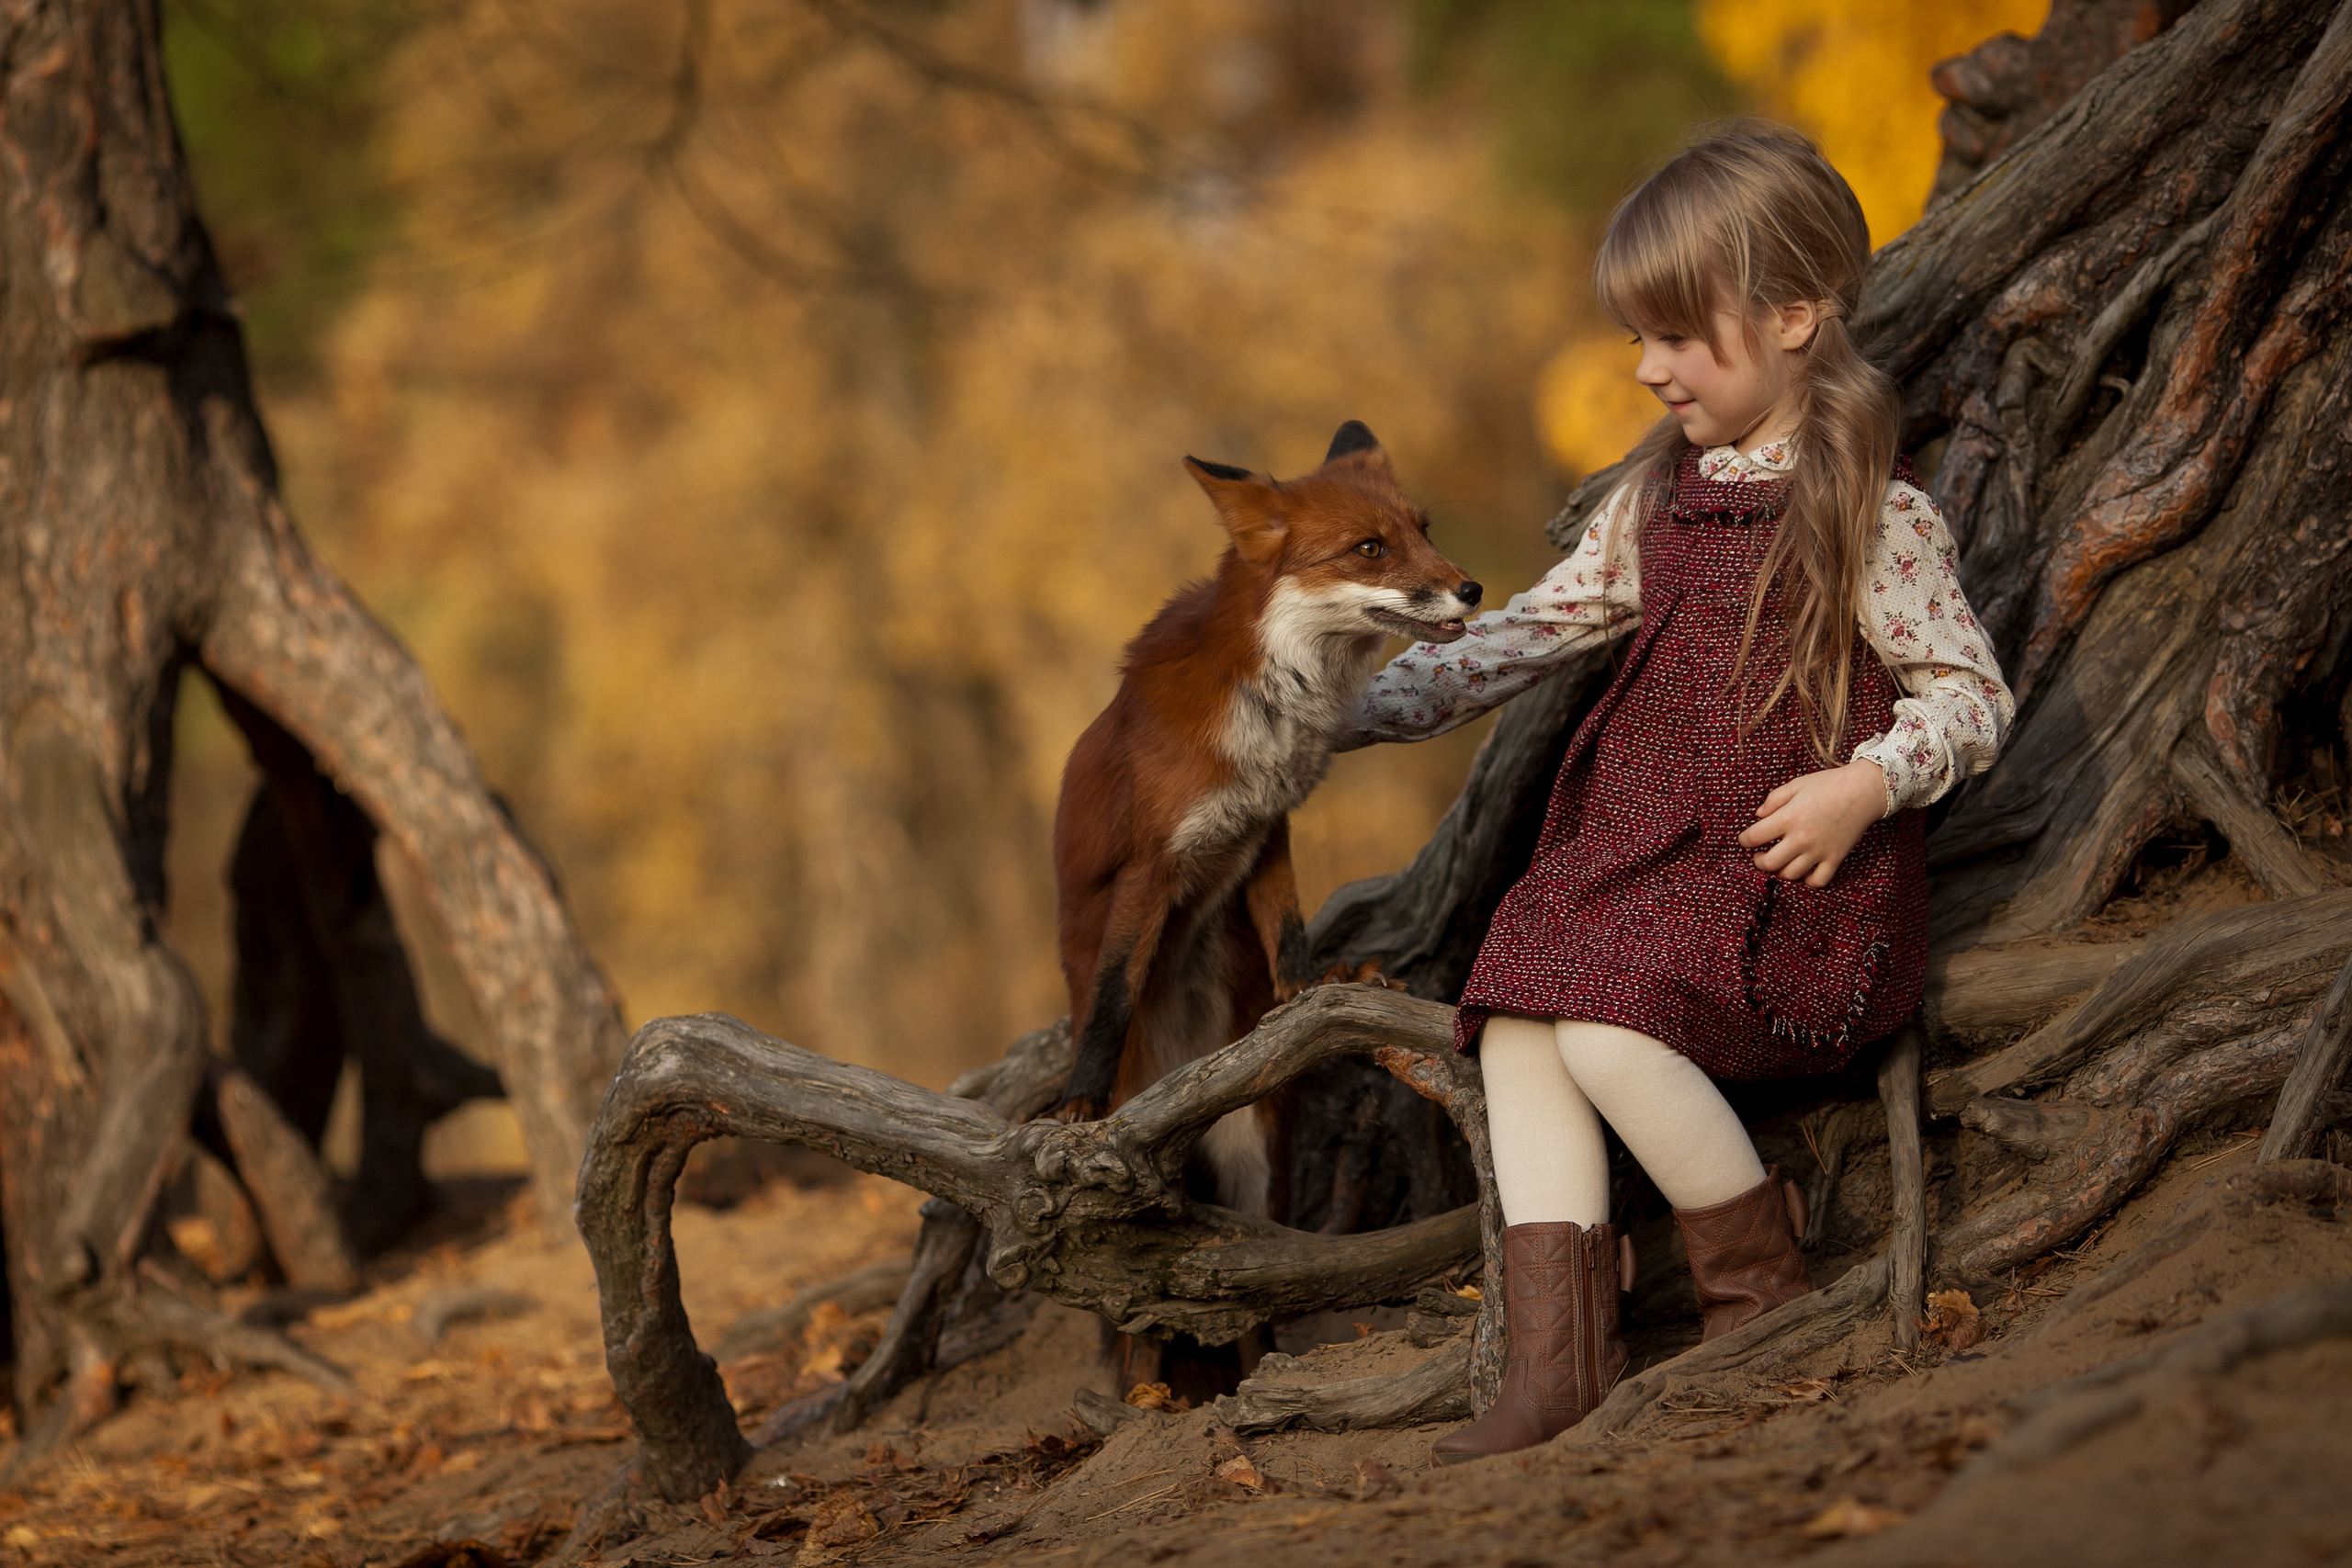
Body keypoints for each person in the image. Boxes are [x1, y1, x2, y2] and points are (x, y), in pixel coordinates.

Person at [1340, 123, 2015, 1463]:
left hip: (1788, 895)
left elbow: (1975, 699)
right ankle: (1556, 1366)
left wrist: (1862, 788)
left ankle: (1759, 1291)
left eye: (1678, 338)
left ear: (1794, 318)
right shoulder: (1655, 501)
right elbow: (1525, 634)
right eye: (1636, 339)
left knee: (1596, 1029)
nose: (1646, 370)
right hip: (1644, 868)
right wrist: (1342, 716)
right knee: (1519, 1023)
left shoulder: (1870, 513)